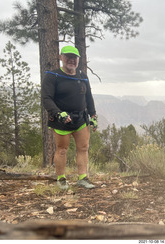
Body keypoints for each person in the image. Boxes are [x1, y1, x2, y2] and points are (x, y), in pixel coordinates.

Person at [42, 45, 98, 190]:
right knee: (61, 150)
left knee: (84, 148)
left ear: (78, 59)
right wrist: (57, 113)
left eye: (74, 58)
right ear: (61, 57)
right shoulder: (52, 76)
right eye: (68, 57)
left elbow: (88, 98)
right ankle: (61, 180)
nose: (71, 60)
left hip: (81, 119)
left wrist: (93, 115)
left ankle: (82, 178)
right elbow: (46, 98)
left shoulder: (82, 76)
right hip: (61, 120)